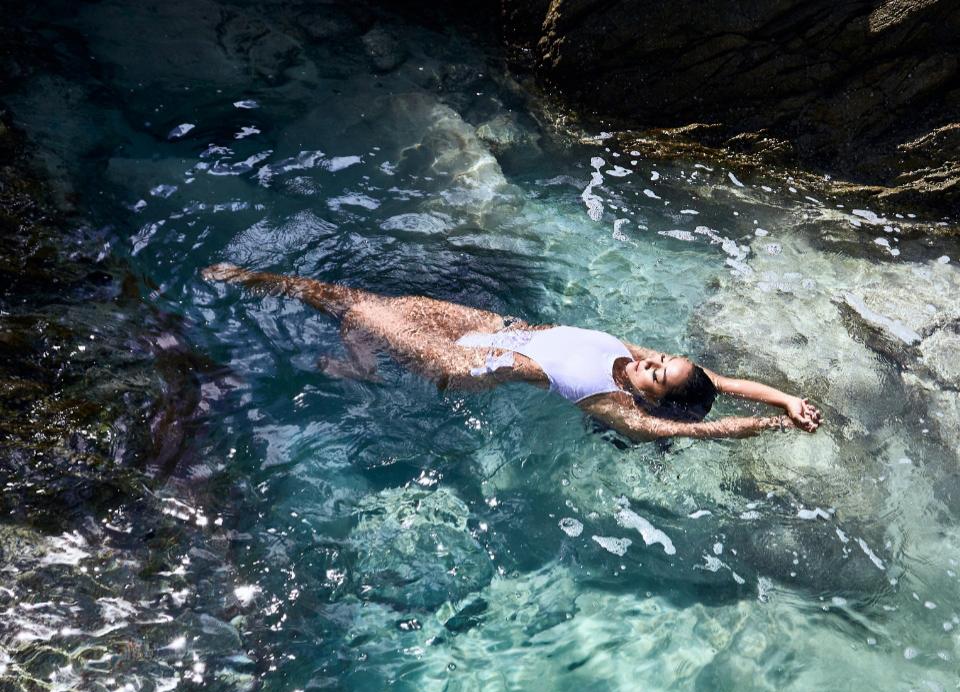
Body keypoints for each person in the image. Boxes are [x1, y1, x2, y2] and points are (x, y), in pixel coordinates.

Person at [201, 263, 822, 442]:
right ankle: (359, 363)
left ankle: (266, 287)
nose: (649, 361)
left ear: (647, 397)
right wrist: (789, 397)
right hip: (492, 326)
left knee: (357, 310)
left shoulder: (612, 402)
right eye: (662, 360)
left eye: (655, 374)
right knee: (364, 299)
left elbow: (694, 431)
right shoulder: (631, 356)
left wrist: (766, 427)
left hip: (471, 365)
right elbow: (726, 382)